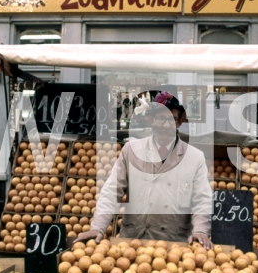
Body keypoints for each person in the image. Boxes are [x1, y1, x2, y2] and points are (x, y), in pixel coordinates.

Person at [74, 91, 213, 249]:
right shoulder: (131, 150)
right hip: (132, 243)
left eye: (172, 119)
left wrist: (201, 230)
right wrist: (98, 227)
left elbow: (202, 199)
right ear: (151, 120)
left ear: (179, 122)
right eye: (161, 118)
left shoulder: (194, 157)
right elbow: (112, 191)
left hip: (174, 245)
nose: (166, 125)